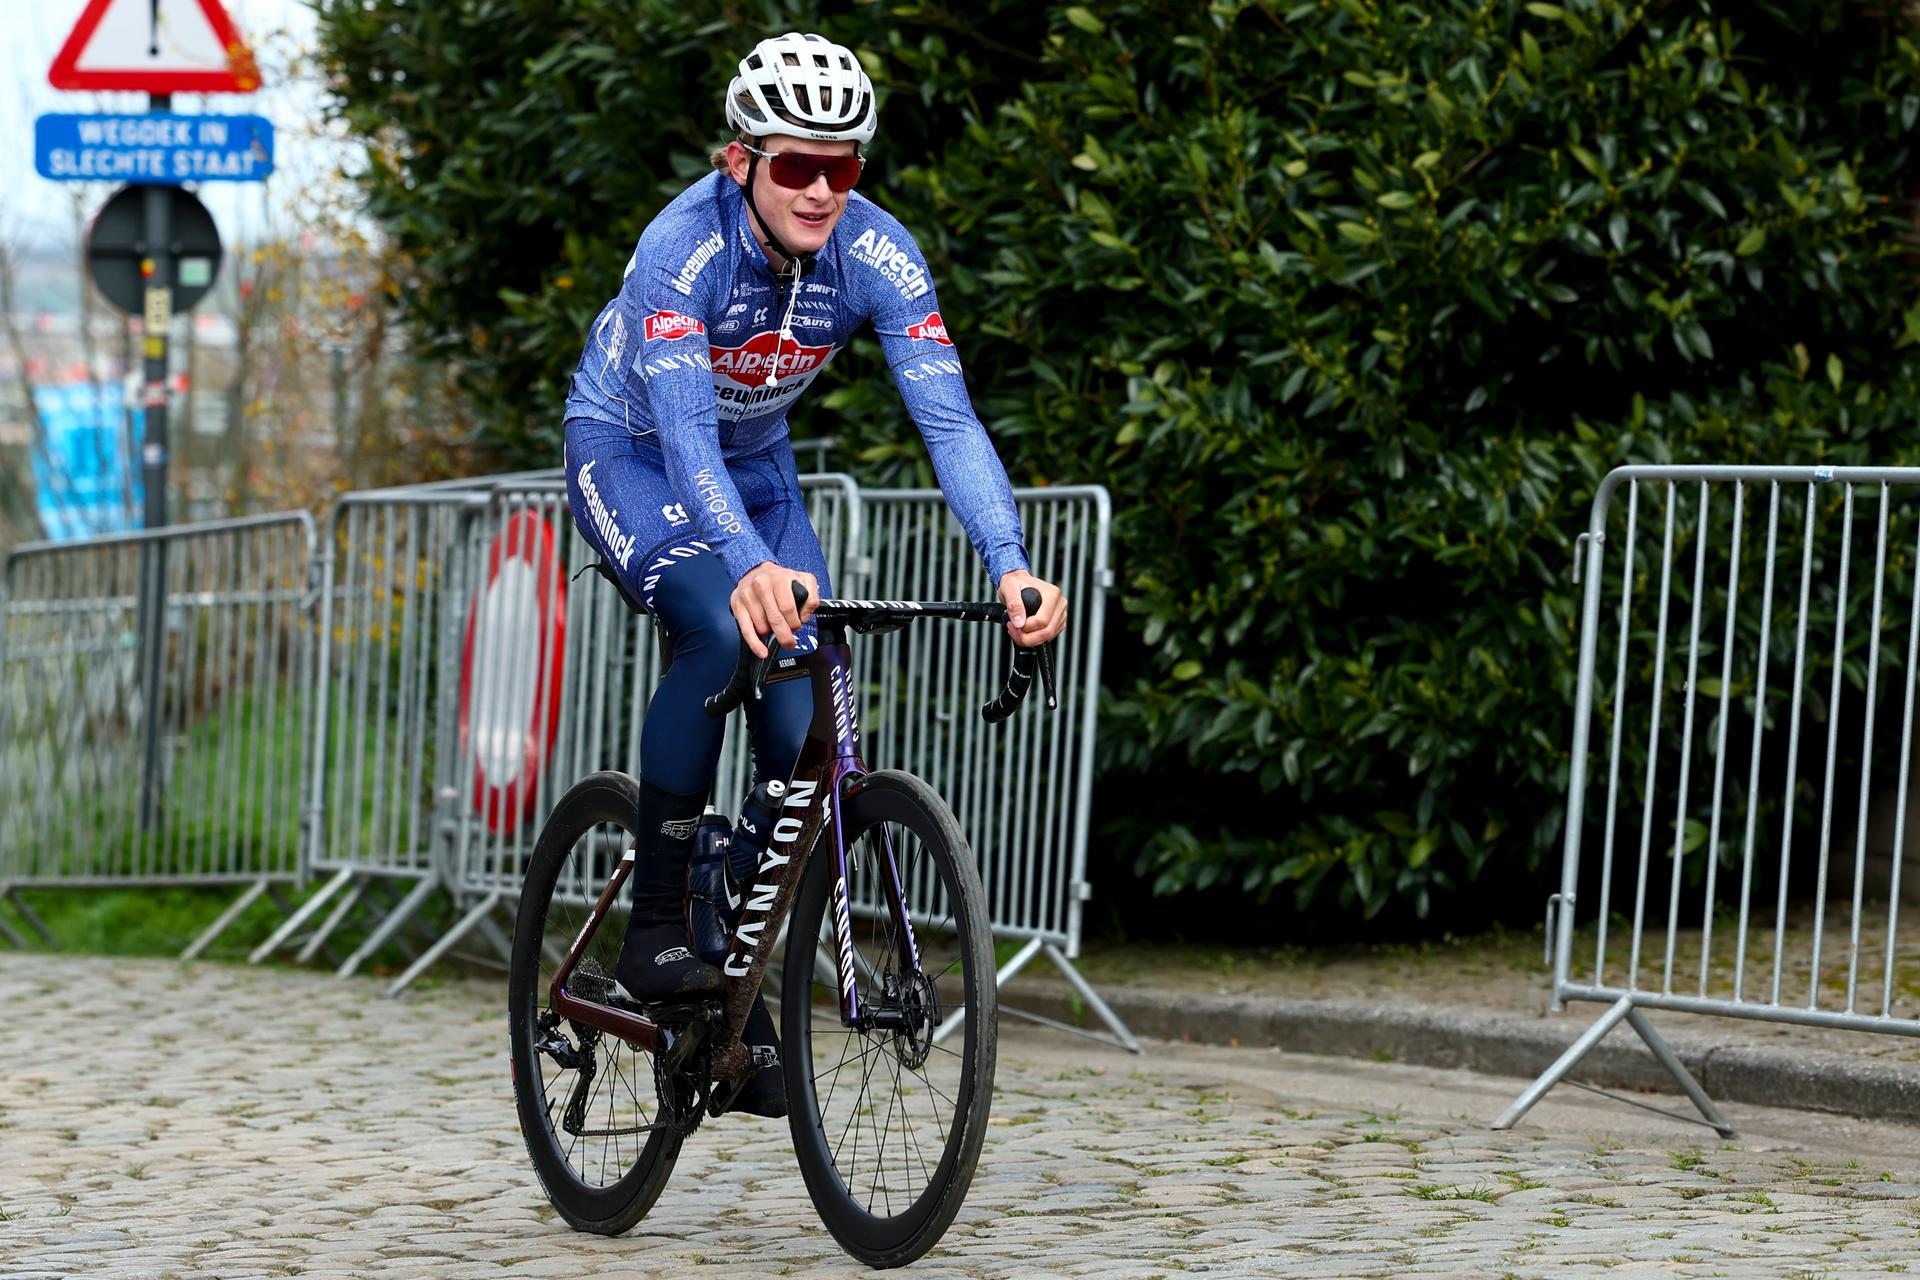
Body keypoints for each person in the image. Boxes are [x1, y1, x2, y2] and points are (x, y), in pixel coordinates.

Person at [561, 31, 1067, 1117]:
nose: (823, 189)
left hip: (759, 469)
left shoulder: (877, 253)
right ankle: (656, 926)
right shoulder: (680, 247)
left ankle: (726, 997)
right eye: (798, 165)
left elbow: (949, 417)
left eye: (845, 166)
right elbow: (687, 432)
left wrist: (1011, 564)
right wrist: (743, 565)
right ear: (739, 160)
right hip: (635, 449)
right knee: (716, 620)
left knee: (806, 739)